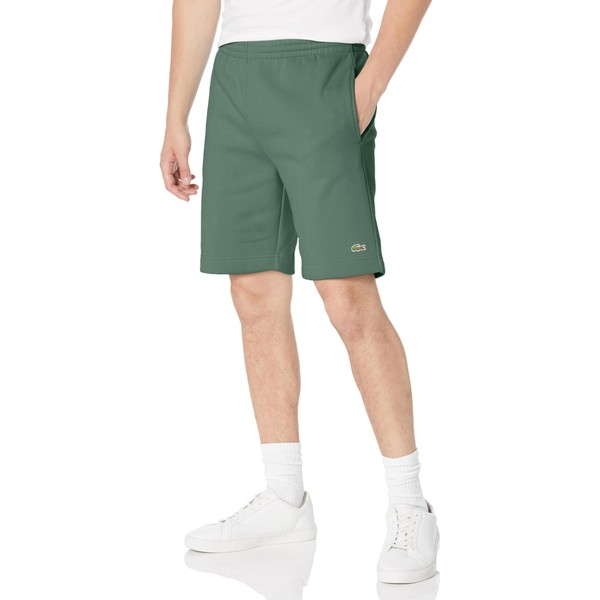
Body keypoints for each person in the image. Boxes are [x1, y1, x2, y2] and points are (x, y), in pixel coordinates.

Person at [160, 0, 438, 584]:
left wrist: (368, 87)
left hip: (327, 70)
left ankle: (410, 504)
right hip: (236, 78)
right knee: (253, 293)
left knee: (348, 299)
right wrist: (176, 115)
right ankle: (284, 496)